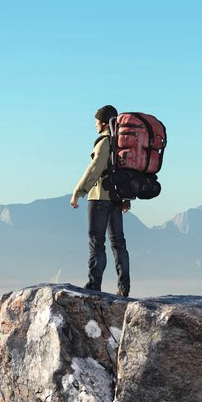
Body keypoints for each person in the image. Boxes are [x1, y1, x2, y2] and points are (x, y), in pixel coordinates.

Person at [70, 104, 131, 297]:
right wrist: (126, 198)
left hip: (99, 199)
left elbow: (95, 168)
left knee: (97, 243)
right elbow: (127, 172)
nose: (95, 126)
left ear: (104, 123)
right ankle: (124, 288)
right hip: (117, 198)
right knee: (118, 243)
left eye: (97, 122)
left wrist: (78, 191)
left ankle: (94, 286)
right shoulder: (122, 143)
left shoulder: (104, 142)